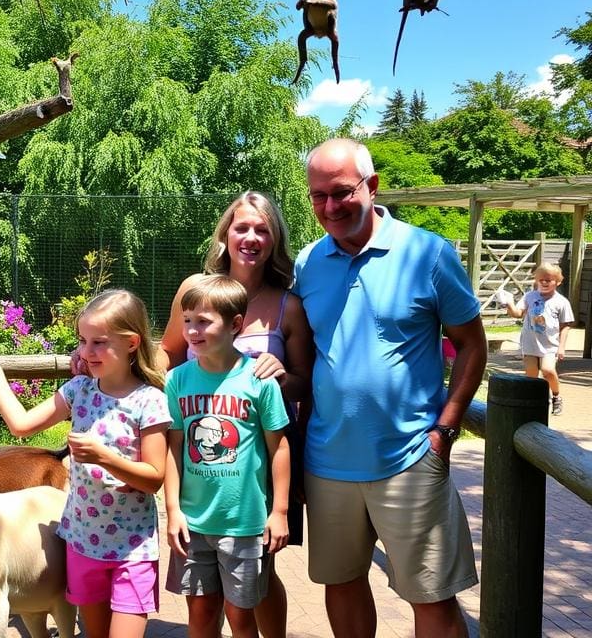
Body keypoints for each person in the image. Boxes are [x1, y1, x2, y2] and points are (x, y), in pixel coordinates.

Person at [294, 138, 486, 638]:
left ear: (371, 185)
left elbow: (471, 345)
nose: (330, 207)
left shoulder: (428, 253)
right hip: (328, 459)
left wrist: (446, 430)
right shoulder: (308, 263)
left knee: (432, 600)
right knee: (341, 584)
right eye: (318, 196)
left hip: (410, 457)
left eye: (341, 192)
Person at [0, 289, 171, 638]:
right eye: (82, 341)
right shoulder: (79, 390)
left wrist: (103, 457)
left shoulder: (149, 401)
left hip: (131, 548)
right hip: (83, 543)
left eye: (98, 343)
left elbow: (154, 478)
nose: (86, 352)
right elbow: (21, 425)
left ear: (132, 342)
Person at [158, 191, 313, 638]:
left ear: (275, 238)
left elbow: (306, 379)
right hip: (198, 473)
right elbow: (166, 356)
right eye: (242, 227)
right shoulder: (196, 292)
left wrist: (283, 375)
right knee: (204, 602)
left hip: (258, 459)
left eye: (262, 229)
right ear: (226, 233)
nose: (250, 237)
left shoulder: (290, 304)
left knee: (260, 578)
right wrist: (102, 355)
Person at [163, 274, 292, 638]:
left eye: (203, 321)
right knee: (201, 614)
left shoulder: (259, 380)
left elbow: (279, 446)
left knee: (240, 617)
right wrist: (173, 511)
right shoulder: (177, 381)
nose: (192, 330)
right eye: (188, 321)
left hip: (244, 524)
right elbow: (173, 448)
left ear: (235, 324)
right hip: (193, 523)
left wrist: (279, 512)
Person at [498, 262, 574, 415]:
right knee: (531, 375)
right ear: (536, 280)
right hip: (530, 343)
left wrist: (561, 347)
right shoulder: (529, 297)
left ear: (558, 282)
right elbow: (518, 314)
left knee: (547, 370)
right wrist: (508, 303)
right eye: (541, 279)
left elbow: (565, 325)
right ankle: (535, 403)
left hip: (549, 345)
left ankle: (556, 396)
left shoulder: (561, 302)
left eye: (549, 280)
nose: (544, 282)